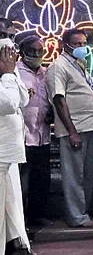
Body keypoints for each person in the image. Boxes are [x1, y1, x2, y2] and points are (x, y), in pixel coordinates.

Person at [46, 28, 93, 228]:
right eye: (76, 44)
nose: (81, 47)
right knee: (74, 175)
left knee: (87, 174)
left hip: (90, 126)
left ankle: (83, 213)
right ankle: (76, 217)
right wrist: (72, 132)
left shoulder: (79, 65)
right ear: (65, 45)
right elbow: (59, 100)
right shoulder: (58, 67)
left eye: (83, 43)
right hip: (74, 130)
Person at [0, 41, 29, 255]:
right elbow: (7, 104)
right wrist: (8, 74)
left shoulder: (7, 76)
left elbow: (23, 100)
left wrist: (11, 73)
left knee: (4, 216)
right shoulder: (5, 77)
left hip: (6, 157)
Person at [17, 35, 53, 226]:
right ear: (23, 52)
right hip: (23, 134)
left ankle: (37, 215)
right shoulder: (15, 73)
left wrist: (51, 114)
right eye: (33, 51)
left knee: (41, 178)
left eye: (41, 51)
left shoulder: (46, 72)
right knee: (23, 179)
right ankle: (21, 218)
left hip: (42, 134)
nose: (37, 55)